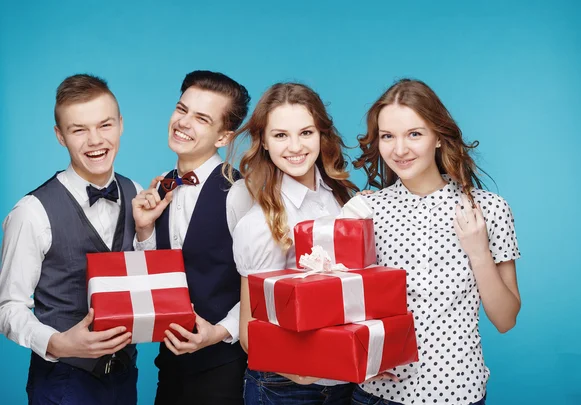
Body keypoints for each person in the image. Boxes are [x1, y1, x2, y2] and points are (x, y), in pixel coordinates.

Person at [351, 78, 521, 405]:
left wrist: (478, 251)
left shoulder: (489, 209)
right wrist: (357, 356)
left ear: (439, 138)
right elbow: (342, 303)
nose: (399, 150)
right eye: (388, 136)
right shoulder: (365, 210)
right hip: (377, 395)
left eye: (414, 134)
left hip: (458, 392)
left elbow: (505, 319)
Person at [0, 74, 141, 404]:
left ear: (121, 125)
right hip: (63, 382)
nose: (95, 140)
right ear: (60, 136)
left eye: (104, 125)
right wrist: (57, 343)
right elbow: (7, 307)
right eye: (78, 129)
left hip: (125, 378)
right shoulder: (31, 212)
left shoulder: (136, 192)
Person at [228, 82, 359, 404]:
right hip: (284, 385)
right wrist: (301, 370)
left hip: (346, 380)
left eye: (306, 132)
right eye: (280, 135)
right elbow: (250, 332)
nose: (295, 146)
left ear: (321, 135)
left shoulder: (343, 197)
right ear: (264, 142)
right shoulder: (259, 220)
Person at [132, 70, 252, 405]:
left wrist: (220, 332)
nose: (183, 123)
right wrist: (143, 229)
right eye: (182, 109)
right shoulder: (163, 184)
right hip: (170, 365)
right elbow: (157, 278)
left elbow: (262, 284)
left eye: (201, 118)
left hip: (225, 369)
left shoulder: (239, 191)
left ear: (223, 137)